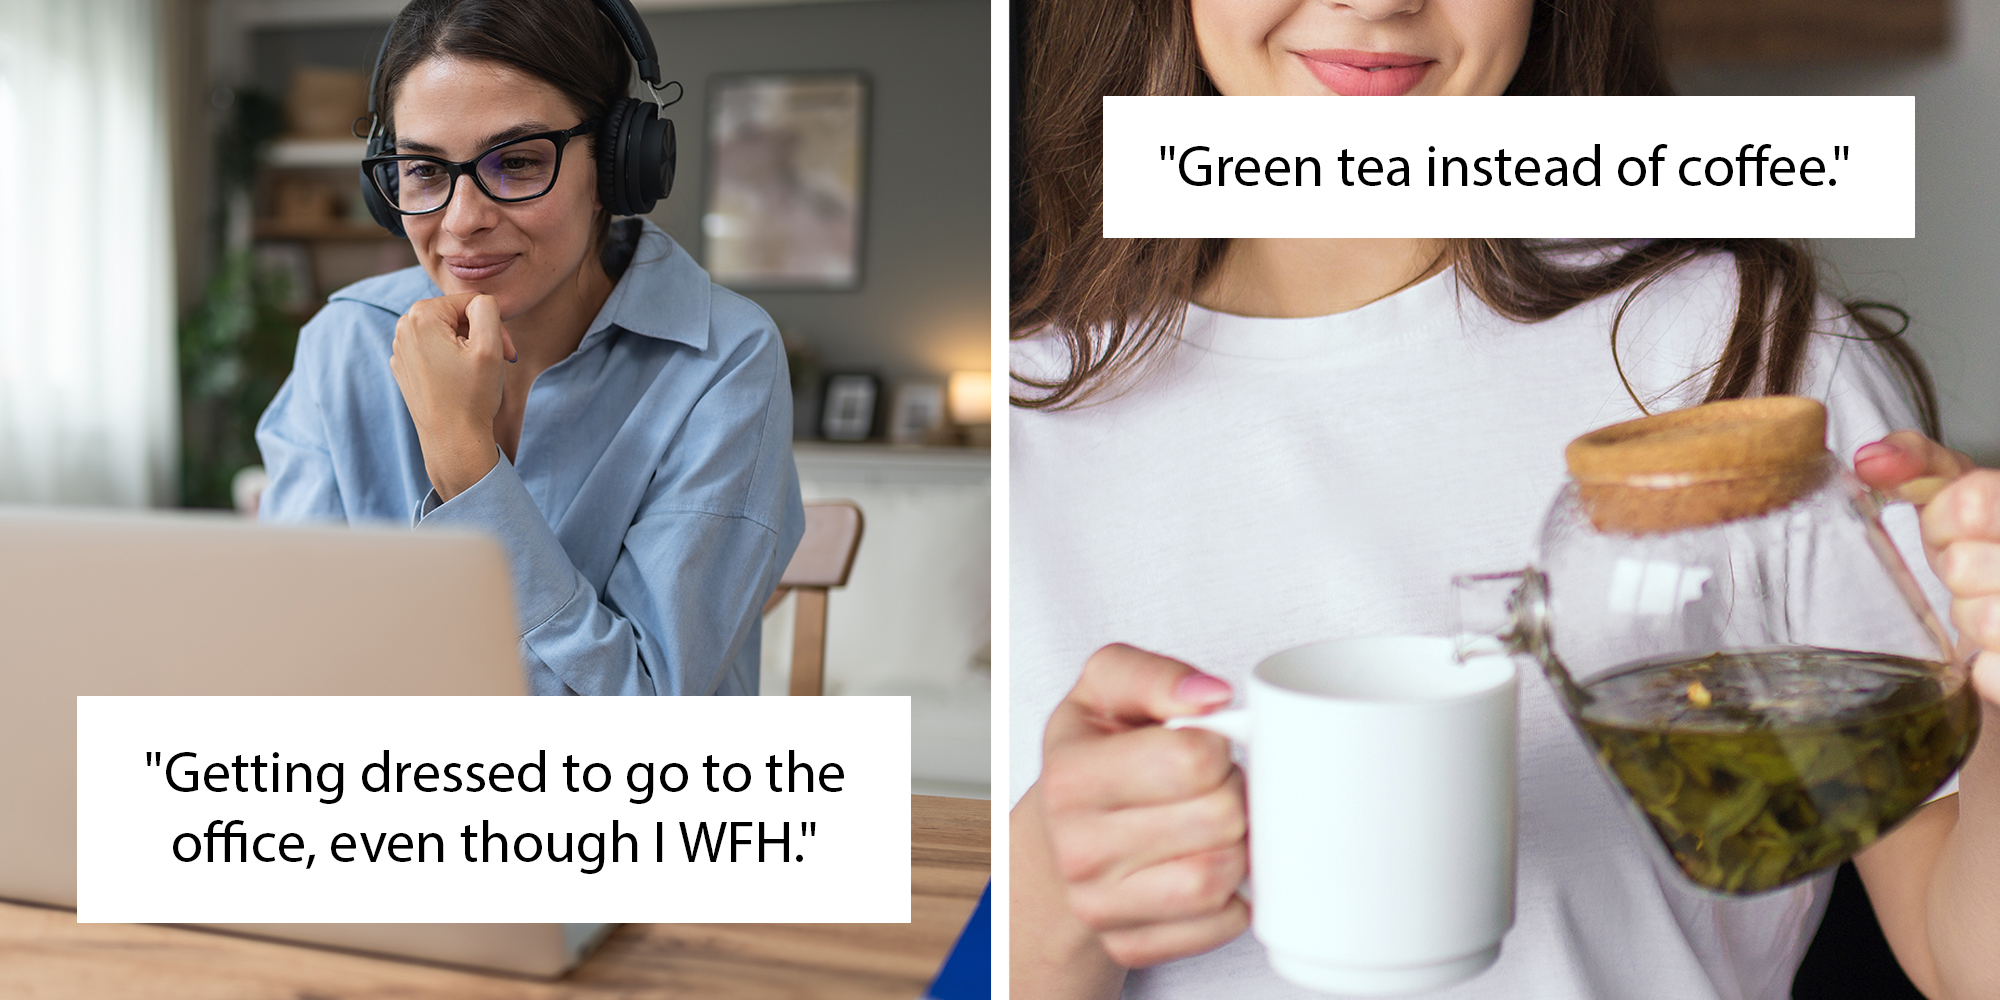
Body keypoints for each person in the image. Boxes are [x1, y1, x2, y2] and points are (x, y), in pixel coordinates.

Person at [1009, 0, 2000, 997]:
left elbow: (1967, 967)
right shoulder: (1022, 417)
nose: (1378, 2)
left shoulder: (1735, 352)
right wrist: (1047, 916)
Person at [256, 0, 803, 697]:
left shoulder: (724, 360)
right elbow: (297, 664)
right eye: (423, 169)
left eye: (515, 161)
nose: (462, 221)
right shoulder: (343, 343)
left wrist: (465, 463)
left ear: (616, 166)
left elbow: (643, 722)